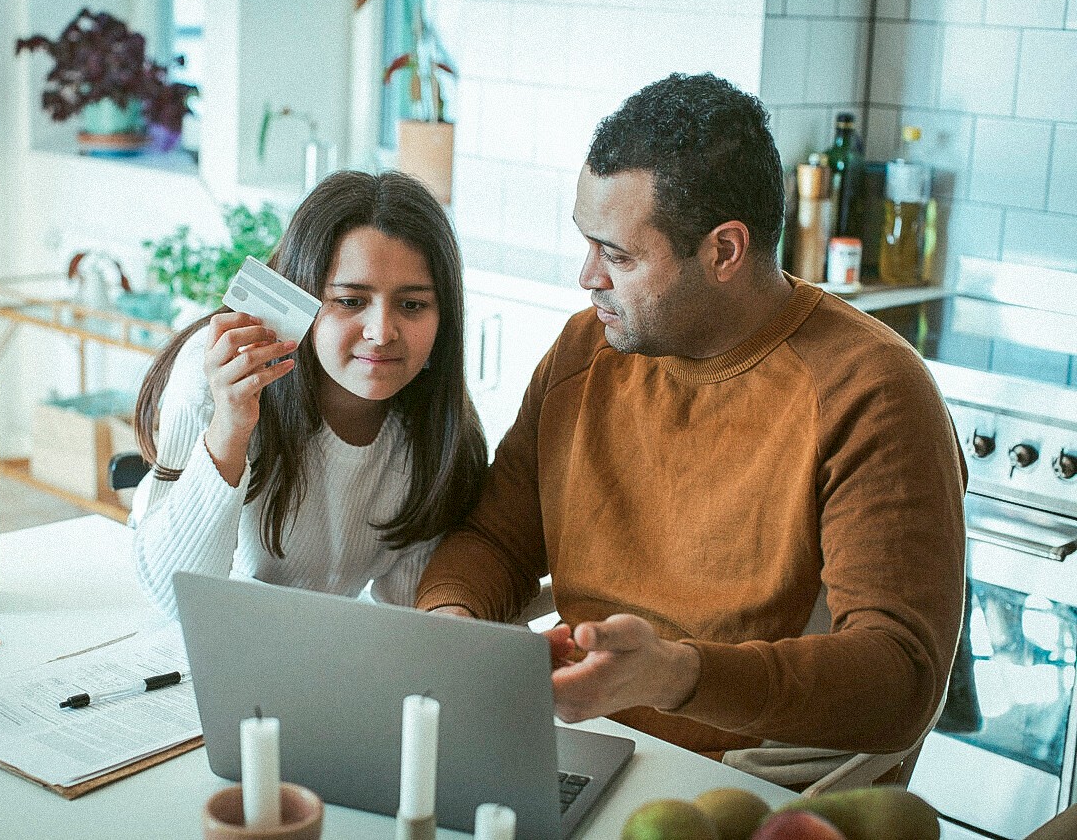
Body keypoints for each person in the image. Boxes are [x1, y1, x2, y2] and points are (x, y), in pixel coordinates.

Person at [414, 73, 967, 785]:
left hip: (747, 777)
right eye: (588, 244)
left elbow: (899, 675)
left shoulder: (873, 391)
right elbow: (495, 537)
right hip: (578, 747)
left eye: (618, 256)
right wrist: (451, 619)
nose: (588, 276)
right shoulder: (585, 354)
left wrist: (673, 674)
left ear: (724, 251)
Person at [132, 170, 487, 619]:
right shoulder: (214, 377)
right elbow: (172, 598)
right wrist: (230, 428)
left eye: (412, 305)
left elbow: (410, 609)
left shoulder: (437, 431)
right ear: (302, 298)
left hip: (317, 646)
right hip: (193, 646)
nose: (382, 333)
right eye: (350, 301)